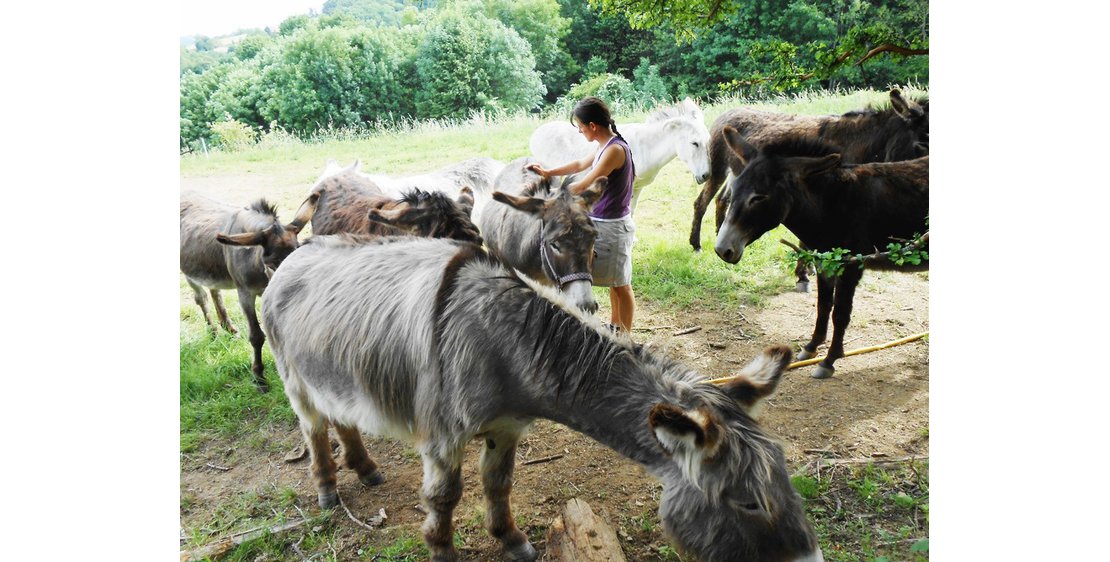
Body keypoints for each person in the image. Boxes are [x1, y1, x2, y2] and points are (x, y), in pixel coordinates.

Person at [527, 97, 637, 333]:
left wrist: (556, 197)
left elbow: (588, 182)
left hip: (614, 226)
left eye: (580, 127)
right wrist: (548, 171)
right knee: (613, 282)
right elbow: (578, 165)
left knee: (621, 285)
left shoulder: (615, 150)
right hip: (601, 222)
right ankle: (616, 326)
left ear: (593, 126)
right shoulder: (603, 146)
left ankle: (624, 336)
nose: (580, 131)